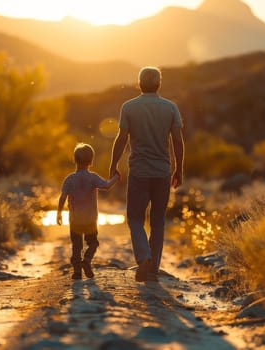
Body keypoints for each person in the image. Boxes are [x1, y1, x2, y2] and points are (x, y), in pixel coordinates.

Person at [109, 66, 184, 282]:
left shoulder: (129, 107)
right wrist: (179, 169)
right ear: (159, 84)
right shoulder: (170, 108)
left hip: (139, 173)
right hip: (162, 173)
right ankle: (153, 269)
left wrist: (114, 164)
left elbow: (121, 139)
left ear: (139, 83)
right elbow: (178, 141)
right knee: (158, 220)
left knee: (135, 218)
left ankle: (143, 257)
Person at [57, 143, 120, 280]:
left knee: (76, 246)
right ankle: (86, 260)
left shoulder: (69, 179)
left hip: (75, 220)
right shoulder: (92, 177)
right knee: (93, 243)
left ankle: (77, 272)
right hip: (90, 219)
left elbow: (62, 198)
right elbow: (107, 186)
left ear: (75, 160)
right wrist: (116, 177)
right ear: (91, 161)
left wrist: (59, 213)